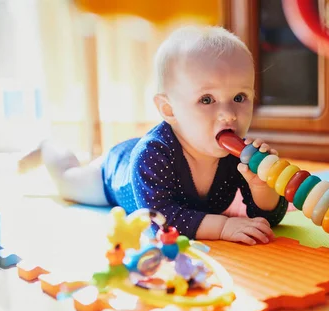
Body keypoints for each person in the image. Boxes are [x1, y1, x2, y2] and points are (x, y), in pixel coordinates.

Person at [18, 25, 288, 245]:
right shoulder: (152, 154)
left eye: (240, 97)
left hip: (139, 160)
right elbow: (158, 218)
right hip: (115, 172)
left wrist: (262, 186)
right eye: (207, 100)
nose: (228, 114)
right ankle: (48, 148)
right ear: (169, 109)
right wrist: (224, 226)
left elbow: (268, 219)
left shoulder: (235, 157)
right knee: (68, 180)